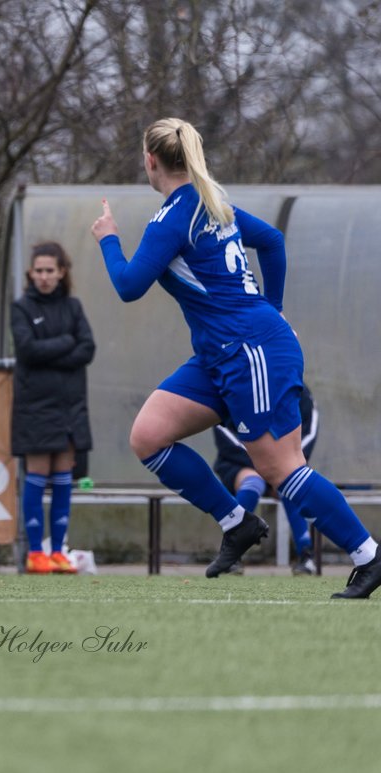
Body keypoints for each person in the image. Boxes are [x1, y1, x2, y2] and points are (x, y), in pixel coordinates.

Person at [90, 117, 381, 599]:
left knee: (281, 468)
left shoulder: (175, 216)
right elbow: (272, 240)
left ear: (150, 160)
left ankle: (369, 556)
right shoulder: (212, 204)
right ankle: (236, 522)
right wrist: (274, 306)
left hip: (250, 351)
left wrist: (107, 238)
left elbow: (127, 286)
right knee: (148, 437)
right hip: (221, 353)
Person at [10, 242, 95, 574]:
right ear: (31, 273)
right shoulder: (21, 308)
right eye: (39, 270)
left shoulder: (73, 307)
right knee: (37, 474)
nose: (44, 276)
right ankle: (35, 553)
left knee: (64, 475)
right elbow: (28, 350)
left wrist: (56, 352)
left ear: (62, 273)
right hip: (35, 407)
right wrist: (65, 344)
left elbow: (87, 348)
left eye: (50, 270)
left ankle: (58, 551)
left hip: (70, 406)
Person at [212, 384, 320, 575]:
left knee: (290, 483)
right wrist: (265, 463)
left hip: (281, 462)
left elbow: (309, 432)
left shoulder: (300, 391)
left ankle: (306, 554)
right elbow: (223, 430)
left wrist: (279, 465)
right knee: (253, 482)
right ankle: (231, 554)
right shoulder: (238, 385)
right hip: (239, 462)